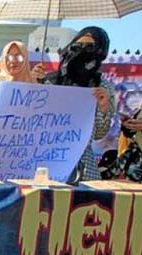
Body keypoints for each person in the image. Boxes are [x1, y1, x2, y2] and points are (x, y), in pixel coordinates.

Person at [42, 27, 115, 183]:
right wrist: (34, 84)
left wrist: (103, 108)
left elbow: (99, 134)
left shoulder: (103, 87)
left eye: (89, 47)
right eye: (77, 46)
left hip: (84, 169)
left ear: (100, 51)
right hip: (46, 164)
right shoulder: (49, 81)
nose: (82, 51)